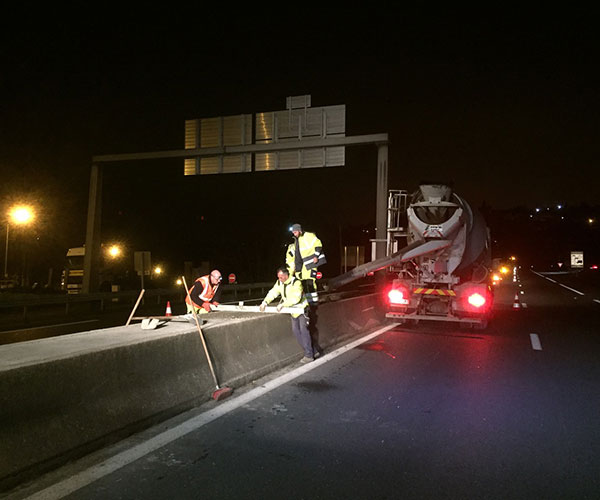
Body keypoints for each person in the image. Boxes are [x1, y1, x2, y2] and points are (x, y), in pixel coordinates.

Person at [260, 266, 318, 364]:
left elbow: (296, 298)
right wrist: (265, 302)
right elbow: (273, 292)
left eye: (281, 277)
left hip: (302, 310)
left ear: (286, 276)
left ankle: (309, 355)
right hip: (293, 311)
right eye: (278, 277)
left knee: (304, 331)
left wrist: (283, 304)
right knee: (296, 331)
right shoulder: (280, 283)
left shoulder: (296, 283)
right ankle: (313, 351)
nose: (279, 279)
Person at [286, 223, 326, 306]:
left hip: (310, 264)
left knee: (310, 282)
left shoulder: (309, 236)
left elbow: (318, 244)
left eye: (295, 232)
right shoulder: (296, 241)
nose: (294, 234)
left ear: (299, 231)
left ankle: (314, 302)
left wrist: (316, 255)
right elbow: (296, 255)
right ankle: (308, 302)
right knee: (303, 284)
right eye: (293, 232)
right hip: (301, 266)